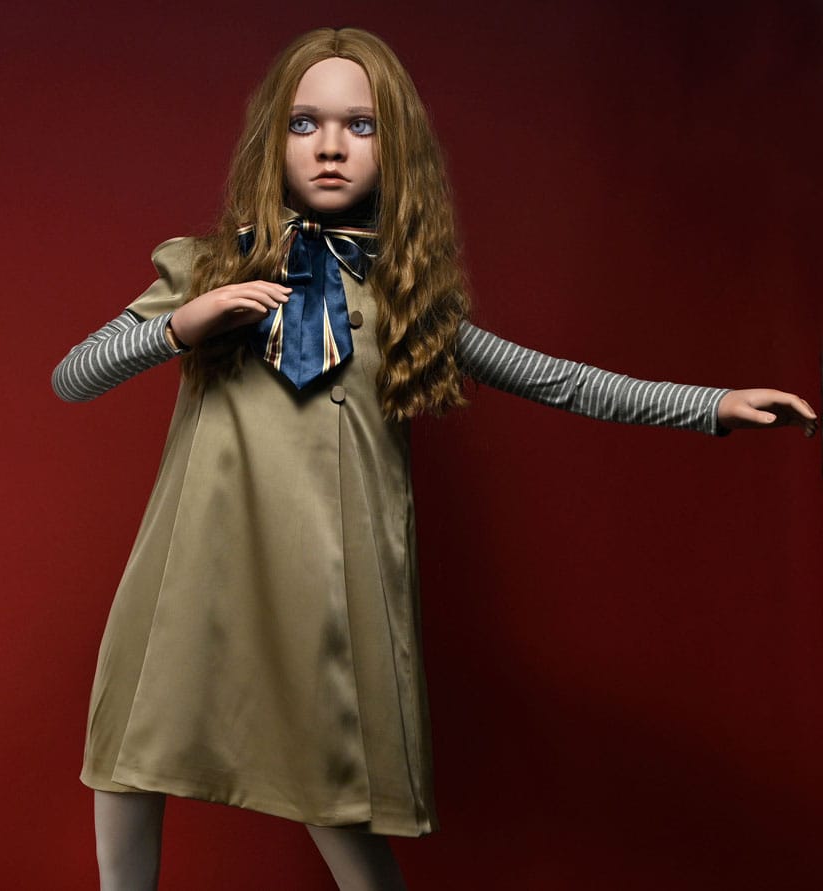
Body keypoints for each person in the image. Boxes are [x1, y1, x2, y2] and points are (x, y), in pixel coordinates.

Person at [52, 27, 817, 891]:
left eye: (360, 125)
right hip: (192, 571)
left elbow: (558, 380)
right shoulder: (203, 269)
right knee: (128, 768)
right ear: (273, 139)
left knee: (334, 805)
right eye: (305, 123)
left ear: (396, 148)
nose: (331, 146)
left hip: (320, 595)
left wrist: (710, 405)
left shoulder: (407, 300)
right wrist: (184, 325)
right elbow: (74, 376)